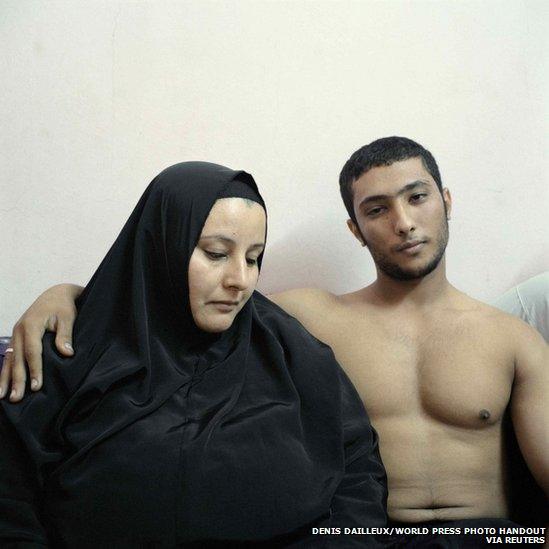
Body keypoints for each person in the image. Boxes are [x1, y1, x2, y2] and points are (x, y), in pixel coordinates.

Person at [3, 137, 548, 542]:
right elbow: (152, 294)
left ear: (446, 200)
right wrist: (69, 295)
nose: (403, 223)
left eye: (417, 197)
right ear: (355, 229)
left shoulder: (514, 339)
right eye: (377, 209)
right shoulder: (306, 319)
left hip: (493, 536)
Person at [0, 162, 387, 547]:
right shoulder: (66, 349)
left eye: (253, 258)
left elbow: (358, 475)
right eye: (217, 253)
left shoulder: (288, 350)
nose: (240, 280)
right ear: (161, 245)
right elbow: (11, 502)